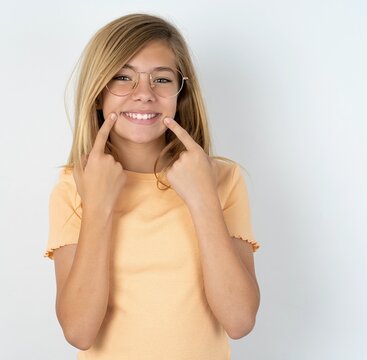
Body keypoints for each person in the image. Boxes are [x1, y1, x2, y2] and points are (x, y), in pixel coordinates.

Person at [44, 13, 260, 359]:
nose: (143, 94)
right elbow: (79, 331)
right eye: (122, 77)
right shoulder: (73, 186)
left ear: (180, 93)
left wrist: (203, 199)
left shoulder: (222, 179)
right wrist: (98, 205)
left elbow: (239, 320)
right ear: (98, 95)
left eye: (161, 79)